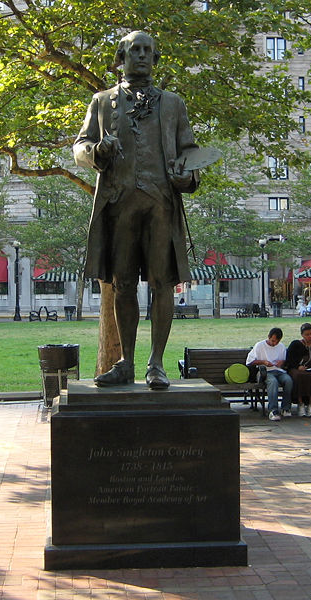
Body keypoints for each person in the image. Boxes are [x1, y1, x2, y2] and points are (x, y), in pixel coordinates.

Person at [74, 31, 199, 390]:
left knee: (163, 284)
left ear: (155, 58)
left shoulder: (173, 104)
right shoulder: (101, 102)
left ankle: (156, 363)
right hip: (119, 205)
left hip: (160, 205)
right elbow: (79, 147)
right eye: (135, 49)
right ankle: (126, 362)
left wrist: (186, 177)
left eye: (148, 50)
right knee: (122, 284)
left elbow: (189, 152)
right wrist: (98, 149)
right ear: (122, 57)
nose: (142, 55)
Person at [246, 327, 293, 421]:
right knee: (273, 382)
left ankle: (286, 407)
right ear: (269, 337)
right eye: (273, 341)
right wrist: (263, 362)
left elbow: (284, 362)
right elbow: (249, 362)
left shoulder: (281, 347)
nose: (274, 343)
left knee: (288, 381)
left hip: (278, 370)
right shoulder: (260, 345)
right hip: (264, 371)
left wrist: (282, 362)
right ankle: (273, 409)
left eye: (277, 342)